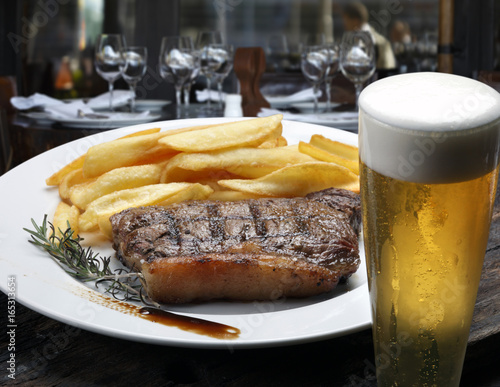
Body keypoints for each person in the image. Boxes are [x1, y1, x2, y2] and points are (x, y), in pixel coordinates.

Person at [341, 2, 396, 71]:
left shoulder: (380, 43)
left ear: (355, 21)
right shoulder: (352, 40)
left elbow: (386, 72)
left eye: (345, 20)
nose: (344, 24)